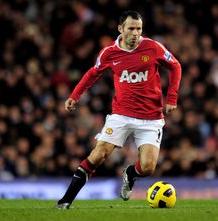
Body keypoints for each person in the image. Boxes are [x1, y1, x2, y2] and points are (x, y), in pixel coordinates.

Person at [56, 10, 182, 209]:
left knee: (148, 168)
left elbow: (175, 66)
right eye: (131, 28)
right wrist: (74, 95)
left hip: (151, 118)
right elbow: (92, 74)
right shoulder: (109, 53)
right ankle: (64, 202)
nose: (135, 33)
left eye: (138, 29)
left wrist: (172, 96)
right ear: (120, 29)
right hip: (121, 115)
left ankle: (130, 174)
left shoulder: (153, 47)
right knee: (98, 154)